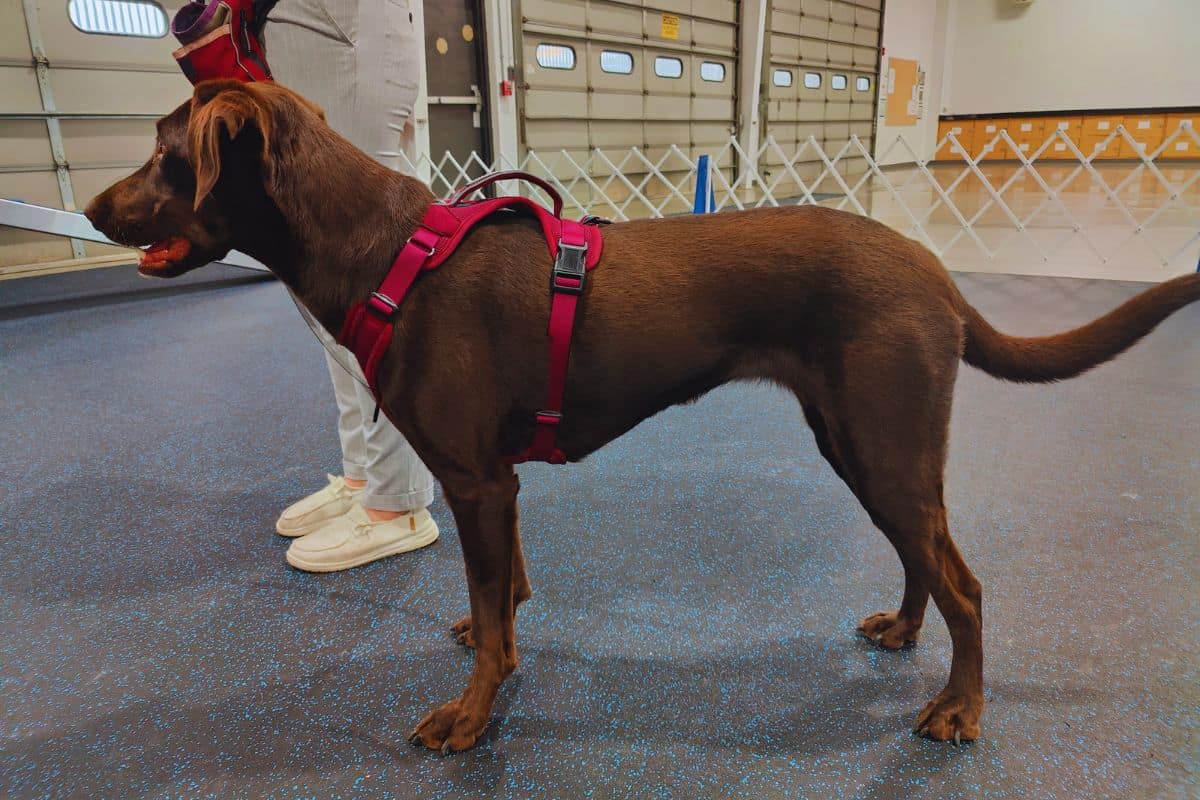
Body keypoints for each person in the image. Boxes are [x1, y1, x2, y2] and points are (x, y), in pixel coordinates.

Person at [261, 0, 439, 572]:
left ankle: (398, 500)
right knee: (325, 270)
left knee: (365, 254)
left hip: (338, 22)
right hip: (294, 23)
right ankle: (365, 474)